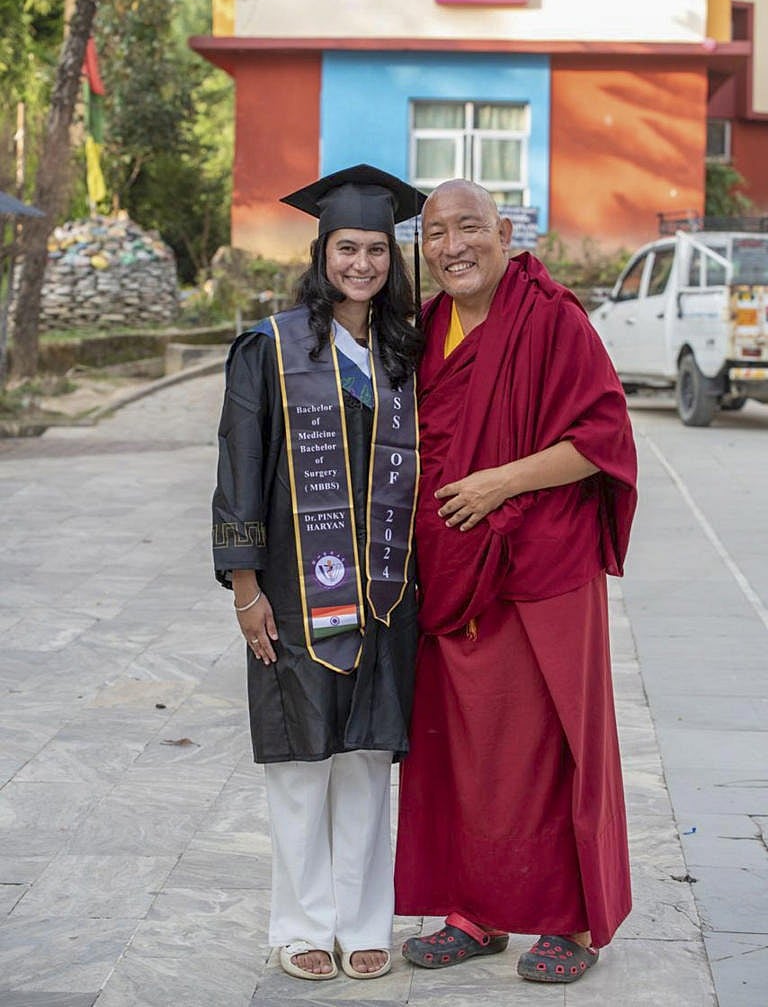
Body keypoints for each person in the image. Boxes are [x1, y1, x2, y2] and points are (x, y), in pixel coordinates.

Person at [394, 179, 638, 984]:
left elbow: (601, 439)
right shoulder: (427, 330)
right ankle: (475, 909)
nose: (453, 246)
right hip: (454, 572)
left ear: (505, 232)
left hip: (541, 567)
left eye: (470, 227)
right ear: (421, 248)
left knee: (552, 742)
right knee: (468, 746)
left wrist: (504, 482)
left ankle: (570, 920)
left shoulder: (551, 317)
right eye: (436, 233)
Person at [212, 165, 425, 982]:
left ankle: (365, 919)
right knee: (304, 758)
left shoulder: (401, 354)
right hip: (297, 592)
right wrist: (245, 588)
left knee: (369, 754)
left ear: (389, 257)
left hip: (385, 588)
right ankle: (299, 922)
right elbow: (239, 466)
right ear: (322, 251)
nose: (362, 263)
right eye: (348, 247)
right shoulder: (271, 347)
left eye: (376, 248)